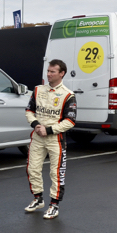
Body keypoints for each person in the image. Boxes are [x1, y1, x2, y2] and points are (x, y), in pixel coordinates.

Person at [24, 59, 77, 220]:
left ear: (61, 73)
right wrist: (36, 125)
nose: (48, 74)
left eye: (52, 71)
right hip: (37, 137)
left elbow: (70, 121)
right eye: (48, 71)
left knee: (56, 173)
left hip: (56, 139)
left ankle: (54, 204)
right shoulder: (38, 90)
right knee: (32, 169)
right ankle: (38, 198)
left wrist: (48, 130)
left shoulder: (68, 95)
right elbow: (29, 110)